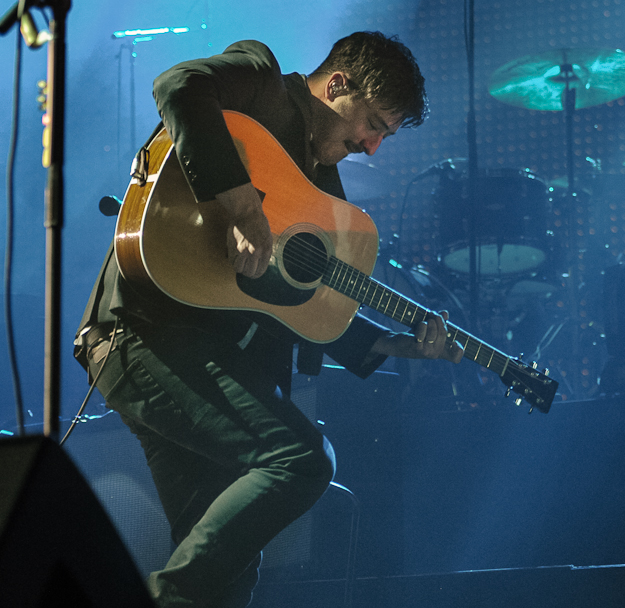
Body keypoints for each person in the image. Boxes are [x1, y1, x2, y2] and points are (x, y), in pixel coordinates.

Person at [74, 31, 464, 608]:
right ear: (337, 85)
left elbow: (303, 308)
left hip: (200, 360)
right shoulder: (259, 81)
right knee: (302, 459)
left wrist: (399, 347)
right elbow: (178, 86)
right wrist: (239, 202)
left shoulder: (321, 192)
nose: (373, 146)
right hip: (138, 334)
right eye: (375, 124)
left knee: (230, 578)